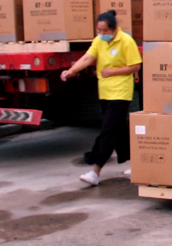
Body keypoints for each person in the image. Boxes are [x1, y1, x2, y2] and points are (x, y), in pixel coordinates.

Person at [61, 10, 142, 186]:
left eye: (105, 31)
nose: (102, 34)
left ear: (114, 29)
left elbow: (136, 66)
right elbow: (88, 58)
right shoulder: (98, 41)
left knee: (108, 130)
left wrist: (113, 72)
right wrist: (71, 71)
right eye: (99, 30)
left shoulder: (126, 41)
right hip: (105, 92)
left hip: (121, 92)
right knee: (119, 130)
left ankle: (95, 170)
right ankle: (138, 165)